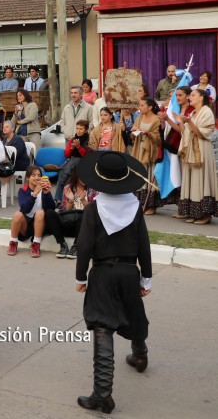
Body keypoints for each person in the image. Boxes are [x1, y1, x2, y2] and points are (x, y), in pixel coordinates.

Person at [74, 152, 153, 414]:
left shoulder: (94, 209)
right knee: (135, 315)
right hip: (130, 271)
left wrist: (80, 276)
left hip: (103, 272)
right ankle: (140, 354)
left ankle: (103, 394)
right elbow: (144, 245)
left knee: (101, 325)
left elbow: (84, 246)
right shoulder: (135, 208)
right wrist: (147, 277)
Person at [177, 88, 218, 224]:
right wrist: (183, 122)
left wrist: (189, 122)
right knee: (193, 180)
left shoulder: (207, 112)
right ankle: (195, 212)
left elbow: (202, 133)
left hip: (202, 150)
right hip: (192, 152)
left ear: (201, 98)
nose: (190, 97)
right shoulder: (193, 113)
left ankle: (205, 214)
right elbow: (186, 133)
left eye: (193, 95)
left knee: (202, 179)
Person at [48, 170, 96, 259]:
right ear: (76, 176)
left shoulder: (93, 190)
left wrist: (84, 201)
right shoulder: (68, 188)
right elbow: (65, 211)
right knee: (49, 213)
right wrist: (70, 200)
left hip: (83, 227)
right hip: (69, 221)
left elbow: (93, 212)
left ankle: (75, 247)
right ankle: (63, 246)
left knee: (84, 213)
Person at [8, 166, 55, 257]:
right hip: (26, 226)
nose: (37, 178)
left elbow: (51, 209)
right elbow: (24, 209)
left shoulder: (44, 189)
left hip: (41, 224)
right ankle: (13, 243)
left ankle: (36, 245)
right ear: (27, 177)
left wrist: (47, 193)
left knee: (40, 212)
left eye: (39, 175)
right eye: (33, 175)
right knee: (17, 214)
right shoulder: (23, 190)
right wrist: (34, 194)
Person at [131, 98, 163, 215]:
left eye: (142, 105)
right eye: (140, 105)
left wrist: (148, 133)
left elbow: (158, 138)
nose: (140, 107)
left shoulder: (156, 120)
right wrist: (134, 132)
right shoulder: (139, 118)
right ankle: (140, 203)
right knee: (140, 175)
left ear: (150, 107)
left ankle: (151, 205)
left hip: (149, 150)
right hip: (139, 148)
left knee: (149, 175)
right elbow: (133, 134)